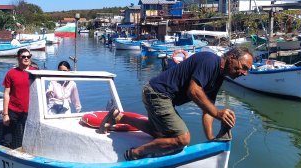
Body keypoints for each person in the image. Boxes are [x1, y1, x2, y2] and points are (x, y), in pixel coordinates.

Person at [99, 46, 254, 161]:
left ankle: (118, 117)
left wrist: (211, 138)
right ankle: (134, 154)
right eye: (244, 67)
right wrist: (218, 113)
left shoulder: (218, 77)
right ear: (232, 57)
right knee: (182, 139)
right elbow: (193, 91)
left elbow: (208, 109)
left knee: (159, 134)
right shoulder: (210, 60)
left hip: (159, 95)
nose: (244, 73)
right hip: (158, 93)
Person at [2, 48, 38, 149]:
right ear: (18, 58)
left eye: (28, 56)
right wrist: (5, 114)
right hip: (13, 110)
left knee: (28, 138)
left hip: (29, 111)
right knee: (7, 138)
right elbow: (6, 94)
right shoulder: (11, 73)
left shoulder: (35, 73)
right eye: (23, 57)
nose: (26, 58)